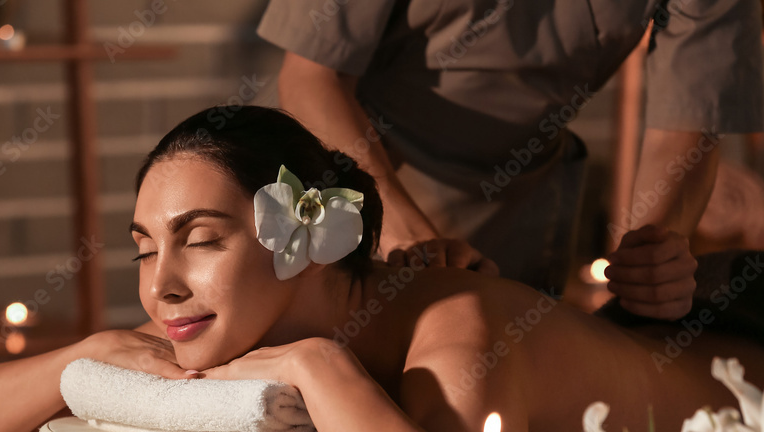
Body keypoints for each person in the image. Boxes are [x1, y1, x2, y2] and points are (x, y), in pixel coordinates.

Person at [0, 107, 764, 432]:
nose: (162, 284)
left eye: (202, 239)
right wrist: (77, 356)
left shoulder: (460, 330)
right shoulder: (211, 324)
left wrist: (317, 366)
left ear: (307, 242)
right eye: (146, 249)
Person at [257, 0, 764, 320]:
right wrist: (402, 231)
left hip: (520, 205)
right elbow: (311, 78)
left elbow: (688, 118)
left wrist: (656, 253)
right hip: (351, 179)